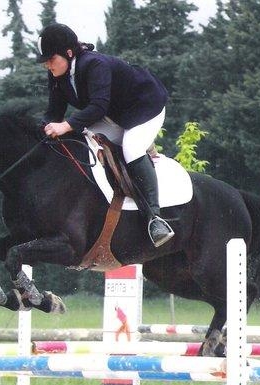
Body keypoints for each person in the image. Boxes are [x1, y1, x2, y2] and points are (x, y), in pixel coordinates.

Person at [36, 23, 174, 247]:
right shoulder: (57, 75)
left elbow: (98, 107)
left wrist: (66, 125)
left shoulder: (94, 64)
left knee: (131, 148)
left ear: (68, 53)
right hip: (114, 116)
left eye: (51, 59)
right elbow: (54, 112)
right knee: (80, 139)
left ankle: (155, 219)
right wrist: (42, 130)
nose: (47, 65)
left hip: (146, 108)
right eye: (45, 61)